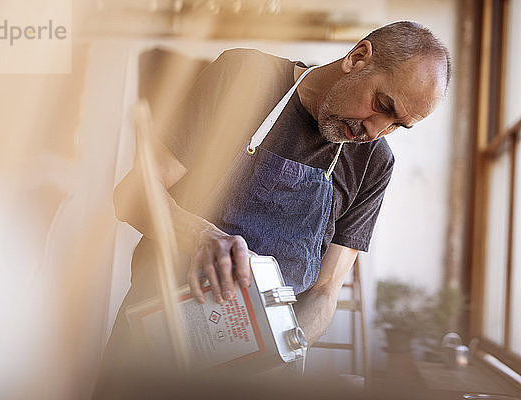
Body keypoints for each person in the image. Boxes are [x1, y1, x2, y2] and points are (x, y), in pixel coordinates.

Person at [93, 20, 450, 397]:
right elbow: (132, 194)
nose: (376, 130)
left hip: (258, 375)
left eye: (397, 124)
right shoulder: (245, 78)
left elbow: (326, 290)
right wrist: (199, 234)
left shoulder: (373, 163)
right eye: (381, 105)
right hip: (154, 348)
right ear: (358, 57)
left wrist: (281, 349)